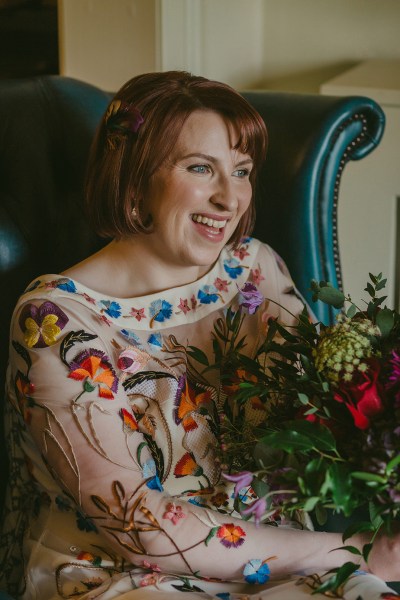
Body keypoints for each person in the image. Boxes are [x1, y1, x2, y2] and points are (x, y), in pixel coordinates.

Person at [0, 71, 399, 600]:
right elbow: (140, 526)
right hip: (118, 574)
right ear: (134, 175)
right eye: (199, 168)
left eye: (241, 171)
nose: (229, 198)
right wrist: (358, 550)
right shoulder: (54, 320)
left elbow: (329, 411)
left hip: (283, 552)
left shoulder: (254, 270)